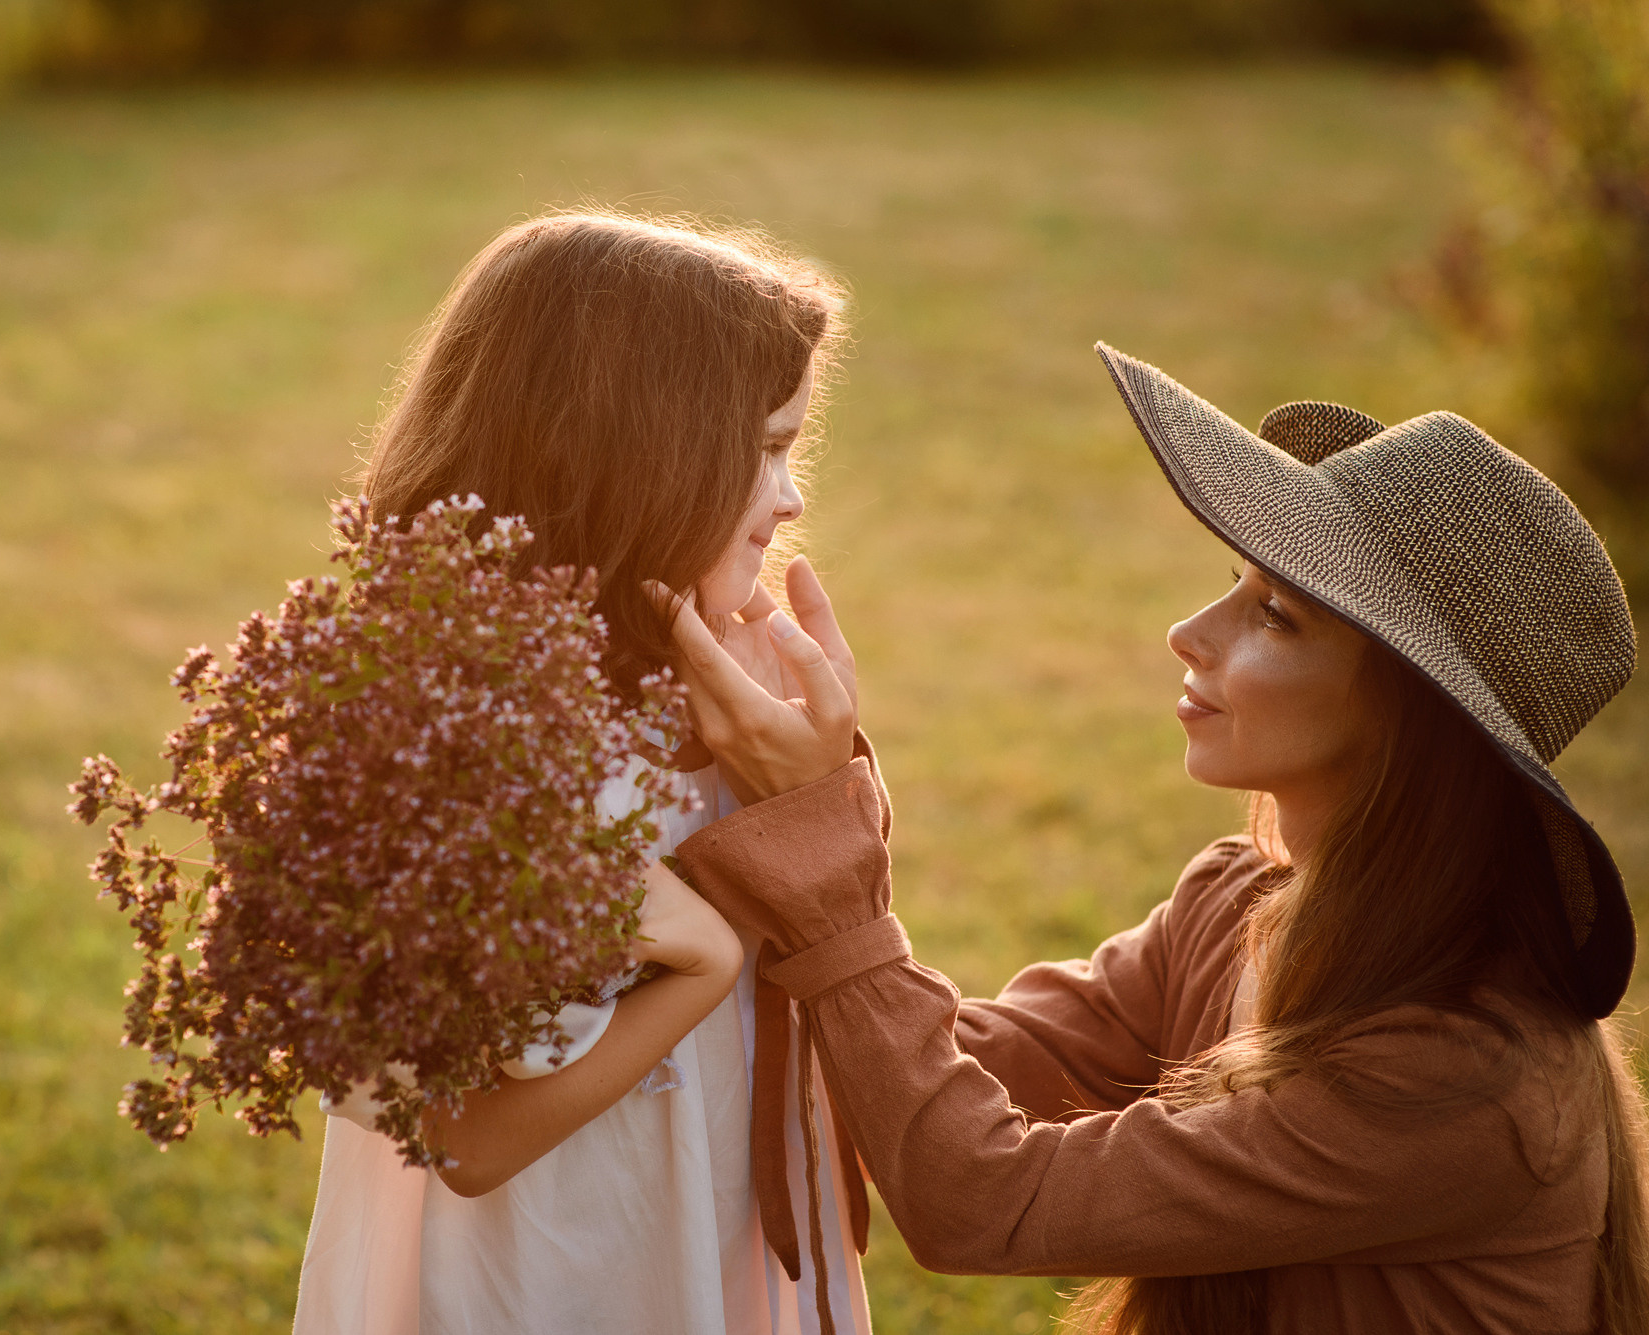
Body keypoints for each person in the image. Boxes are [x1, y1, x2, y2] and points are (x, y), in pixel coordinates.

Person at [658, 343, 1649, 1332]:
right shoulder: (1237, 903)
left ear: (1409, 724)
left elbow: (981, 1198)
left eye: (1274, 617)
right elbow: (955, 1062)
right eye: (1231, 584)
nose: (1189, 630)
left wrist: (823, 847)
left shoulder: (1466, 1083)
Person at [294, 211, 874, 1335]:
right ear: (637, 462)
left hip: (723, 1221)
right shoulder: (455, 746)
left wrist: (816, 792)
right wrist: (701, 961)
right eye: (762, 451)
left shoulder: (725, 681)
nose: (792, 498)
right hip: (562, 1261)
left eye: (794, 447)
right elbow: (461, 1140)